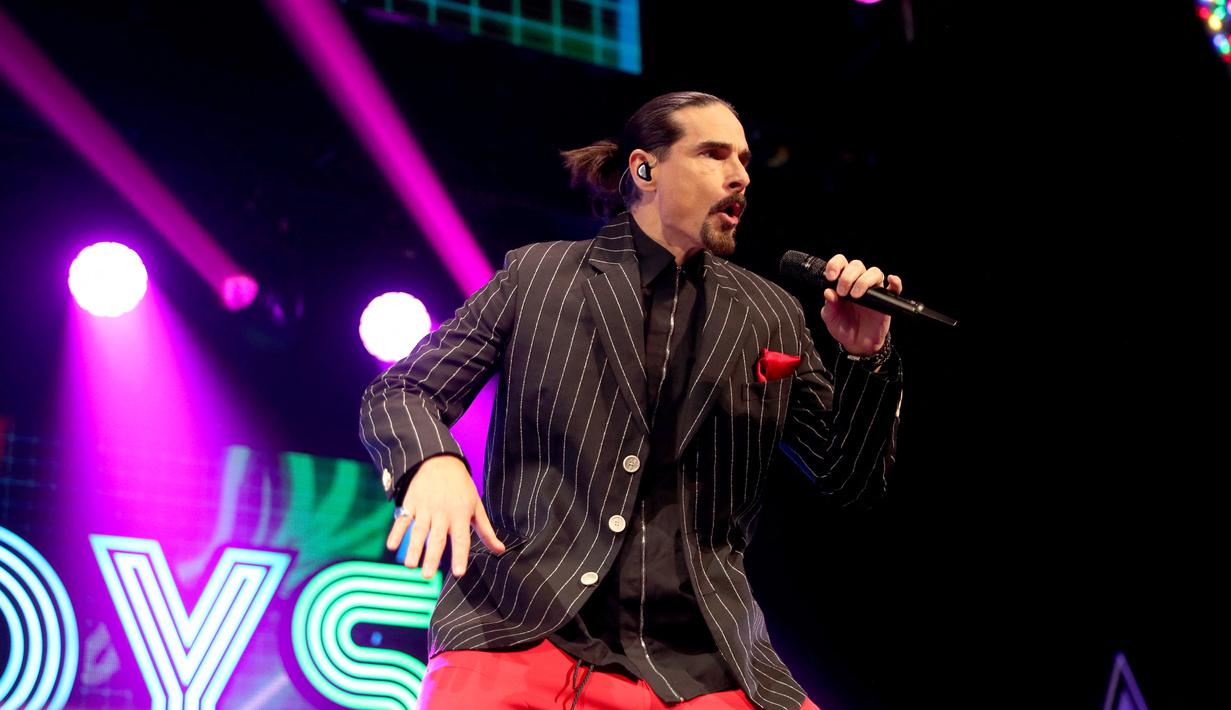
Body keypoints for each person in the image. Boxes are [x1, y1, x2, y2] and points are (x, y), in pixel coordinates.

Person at [359, 91, 904, 710]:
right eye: (714, 154)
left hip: (706, 665)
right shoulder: (538, 278)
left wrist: (866, 358)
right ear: (645, 170)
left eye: (744, 160)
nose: (740, 177)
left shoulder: (769, 313)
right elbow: (403, 388)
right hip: (523, 632)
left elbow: (851, 480)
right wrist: (433, 463)